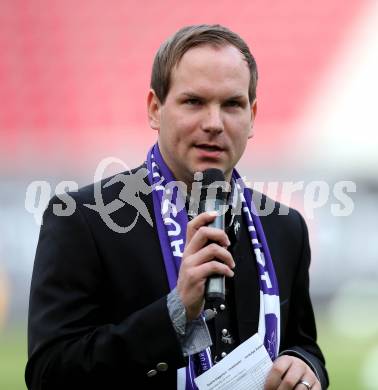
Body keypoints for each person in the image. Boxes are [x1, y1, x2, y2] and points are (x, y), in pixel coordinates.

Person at [25, 24, 329, 390]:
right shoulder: (83, 218)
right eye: (194, 102)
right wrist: (175, 313)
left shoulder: (286, 227)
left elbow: (303, 344)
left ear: (253, 116)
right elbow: (49, 374)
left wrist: (305, 365)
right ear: (155, 109)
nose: (214, 123)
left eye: (232, 104)